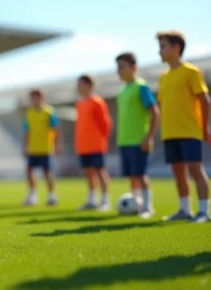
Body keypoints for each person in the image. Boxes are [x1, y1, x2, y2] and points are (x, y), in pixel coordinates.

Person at [156, 31, 210, 223]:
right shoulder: (163, 77)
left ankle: (204, 212)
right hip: (170, 133)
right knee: (178, 172)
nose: (159, 51)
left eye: (162, 47)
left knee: (196, 169)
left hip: (189, 130)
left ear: (176, 48)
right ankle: (184, 210)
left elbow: (205, 101)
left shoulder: (191, 72)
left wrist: (205, 128)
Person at [115, 52, 159, 218]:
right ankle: (137, 204)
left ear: (133, 67)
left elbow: (155, 112)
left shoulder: (141, 87)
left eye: (122, 67)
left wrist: (148, 137)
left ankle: (148, 207)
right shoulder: (122, 90)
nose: (118, 71)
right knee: (132, 176)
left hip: (138, 140)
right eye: (117, 67)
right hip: (124, 140)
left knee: (141, 175)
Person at [75, 75, 113, 211]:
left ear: (89, 85)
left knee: (100, 171)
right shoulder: (79, 103)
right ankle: (92, 200)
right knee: (88, 172)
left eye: (80, 84)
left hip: (96, 145)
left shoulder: (97, 102)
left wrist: (101, 140)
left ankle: (105, 201)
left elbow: (105, 124)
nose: (78, 87)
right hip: (83, 146)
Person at [22, 89, 63, 206]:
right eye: (32, 98)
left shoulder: (49, 112)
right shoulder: (29, 113)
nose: (34, 100)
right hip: (33, 148)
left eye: (36, 97)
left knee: (47, 173)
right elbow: (27, 131)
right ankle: (32, 195)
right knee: (29, 172)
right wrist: (25, 146)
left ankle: (52, 195)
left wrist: (58, 144)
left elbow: (56, 129)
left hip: (46, 148)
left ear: (42, 98)